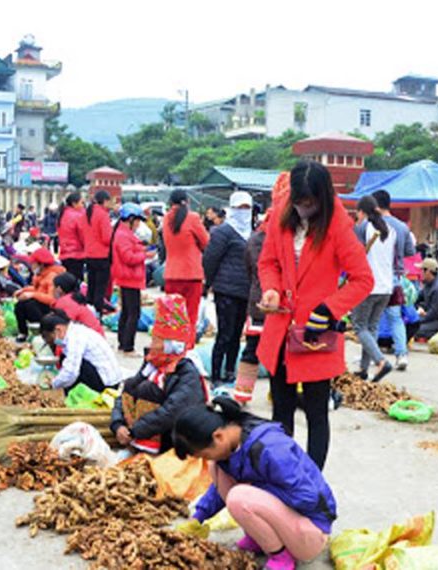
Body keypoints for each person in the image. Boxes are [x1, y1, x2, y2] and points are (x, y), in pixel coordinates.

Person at [257, 164, 373, 468]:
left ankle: (312, 483)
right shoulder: (281, 214)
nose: (303, 208)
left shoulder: (337, 225)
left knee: (316, 413)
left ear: (322, 198)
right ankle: (281, 475)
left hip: (314, 335)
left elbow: (363, 279)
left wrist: (329, 308)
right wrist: (271, 290)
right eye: (299, 201)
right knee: (280, 411)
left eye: (309, 203)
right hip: (280, 328)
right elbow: (268, 262)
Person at [174, 398, 334, 570]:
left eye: (205, 454)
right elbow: (219, 487)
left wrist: (254, 489)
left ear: (218, 436)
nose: (206, 460)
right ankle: (259, 538)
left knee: (239, 497)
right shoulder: (234, 443)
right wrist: (198, 517)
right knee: (218, 468)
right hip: (285, 520)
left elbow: (308, 497)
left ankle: (281, 557)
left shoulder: (270, 448)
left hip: (309, 533)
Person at [110, 295, 209, 454]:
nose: (151, 346)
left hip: (172, 442)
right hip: (137, 433)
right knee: (132, 384)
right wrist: (118, 424)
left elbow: (172, 412)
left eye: (156, 341)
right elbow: (125, 393)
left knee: (148, 389)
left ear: (170, 346)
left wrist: (135, 431)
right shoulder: (152, 365)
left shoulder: (186, 373)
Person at [203, 191, 254, 387]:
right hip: (226, 290)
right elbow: (210, 259)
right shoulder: (223, 232)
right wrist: (209, 283)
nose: (243, 212)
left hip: (244, 291)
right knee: (224, 334)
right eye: (239, 207)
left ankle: (230, 372)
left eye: (246, 208)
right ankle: (216, 375)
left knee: (236, 335)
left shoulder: (252, 233)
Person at [362, 189, 416, 371]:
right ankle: (402, 355)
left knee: (369, 322)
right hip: (395, 277)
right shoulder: (401, 227)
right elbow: (410, 251)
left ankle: (373, 358)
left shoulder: (371, 225)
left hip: (375, 278)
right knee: (396, 318)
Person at [350, 195, 395, 382]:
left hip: (368, 286)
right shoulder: (390, 230)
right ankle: (363, 368)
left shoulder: (363, 228)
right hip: (386, 286)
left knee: (359, 326)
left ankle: (380, 361)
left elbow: (354, 255)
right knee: (372, 326)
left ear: (362, 212)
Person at [163, 189, 210, 346]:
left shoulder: (166, 219)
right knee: (190, 316)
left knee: (173, 317)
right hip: (191, 274)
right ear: (187, 202)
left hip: (171, 274)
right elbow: (206, 242)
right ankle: (187, 350)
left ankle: (173, 351)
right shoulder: (193, 218)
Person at [40, 310, 121, 394]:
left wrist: (53, 384)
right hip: (105, 377)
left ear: (58, 330)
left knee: (71, 368)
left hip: (107, 383)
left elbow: (71, 372)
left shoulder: (75, 337)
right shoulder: (75, 330)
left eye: (51, 338)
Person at [236, 209, 270, 404]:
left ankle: (242, 394)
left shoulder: (255, 239)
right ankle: (279, 394)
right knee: (281, 353)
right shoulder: (287, 237)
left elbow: (249, 269)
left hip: (257, 300)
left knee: (251, 348)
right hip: (280, 304)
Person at [111, 203, 152, 354]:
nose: (139, 224)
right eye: (138, 221)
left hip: (127, 277)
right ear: (131, 219)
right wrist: (145, 255)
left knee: (127, 312)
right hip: (130, 278)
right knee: (133, 313)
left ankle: (123, 343)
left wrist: (142, 250)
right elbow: (128, 258)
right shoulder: (123, 235)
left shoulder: (122, 233)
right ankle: (128, 346)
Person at [13, 247, 65, 342]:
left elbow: (51, 299)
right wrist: (23, 290)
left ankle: (41, 331)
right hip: (40, 303)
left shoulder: (51, 276)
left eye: (33, 264)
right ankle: (23, 332)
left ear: (41, 264)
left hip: (50, 309)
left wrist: (32, 295)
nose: (31, 266)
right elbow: (37, 289)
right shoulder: (41, 275)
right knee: (20, 304)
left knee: (29, 304)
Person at [410, 258, 438, 341]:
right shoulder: (428, 283)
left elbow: (434, 313)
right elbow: (417, 298)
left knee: (413, 330)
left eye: (421, 271)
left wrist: (415, 320)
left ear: (427, 271)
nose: (420, 273)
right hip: (432, 315)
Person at [84, 190, 114, 313]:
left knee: (91, 284)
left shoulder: (87, 213)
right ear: (105, 201)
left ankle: (90, 309)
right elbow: (107, 238)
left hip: (89, 253)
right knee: (100, 287)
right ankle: (98, 309)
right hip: (102, 255)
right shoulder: (103, 215)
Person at [57, 192, 87, 281]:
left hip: (65, 252)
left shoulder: (63, 214)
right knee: (77, 283)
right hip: (76, 253)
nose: (83, 205)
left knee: (68, 282)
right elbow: (83, 235)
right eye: (82, 203)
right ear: (74, 203)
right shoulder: (78, 216)